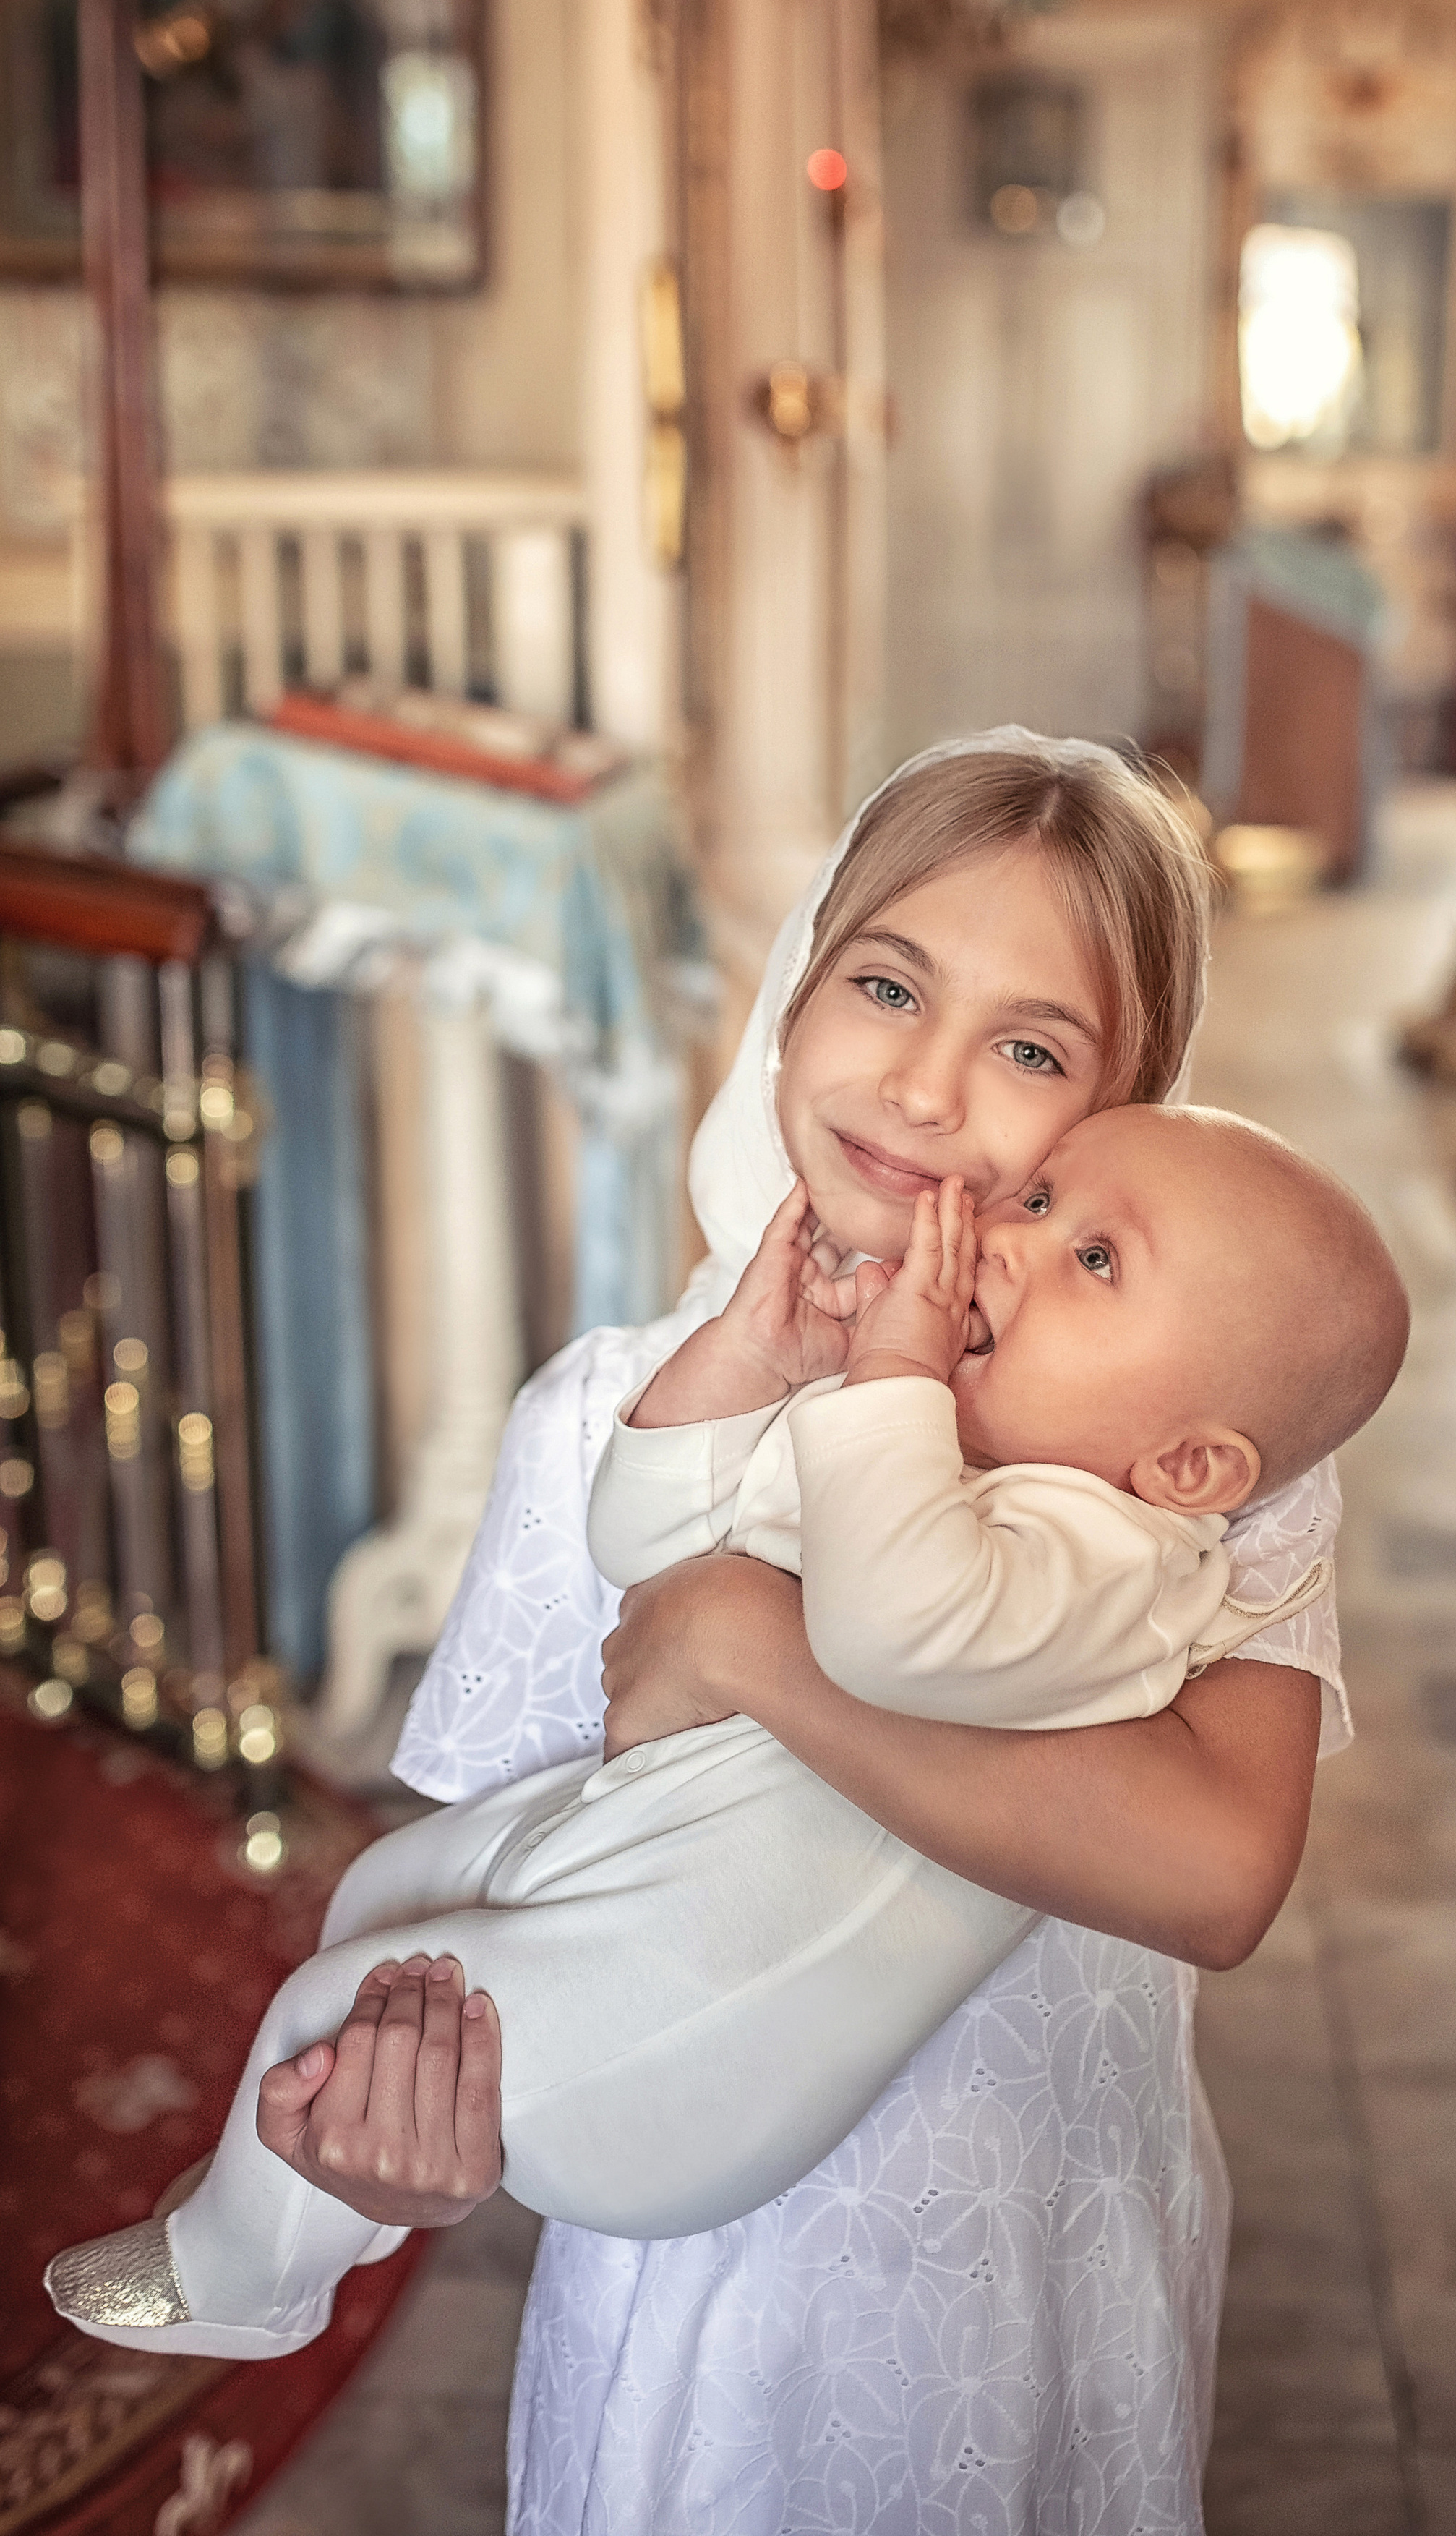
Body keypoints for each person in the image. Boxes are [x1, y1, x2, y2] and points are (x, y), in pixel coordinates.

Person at [202, 735, 1361, 2532]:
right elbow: (505, 1918)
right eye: (885, 987)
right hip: (709, 2317)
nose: (921, 1087)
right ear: (799, 983)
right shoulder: (611, 1418)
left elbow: (1210, 1877)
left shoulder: (1206, 1453)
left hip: (1052, 2262)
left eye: (1031, 1051)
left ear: (1127, 1112)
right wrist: (414, 2153)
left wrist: (752, 1643)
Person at [46, 1104, 1403, 2362]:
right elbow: (648, 1548)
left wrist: (891, 1378)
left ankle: (236, 2285)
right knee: (380, 1892)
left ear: (1188, 1467)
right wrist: (764, 1364)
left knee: (331, 2007)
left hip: (697, 2055)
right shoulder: (925, 1450)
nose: (1006, 1239)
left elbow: (884, 1633)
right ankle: (330, 2204)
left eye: (1094, 1259)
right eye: (1040, 1200)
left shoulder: (1109, 1557)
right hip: (631, 1913)